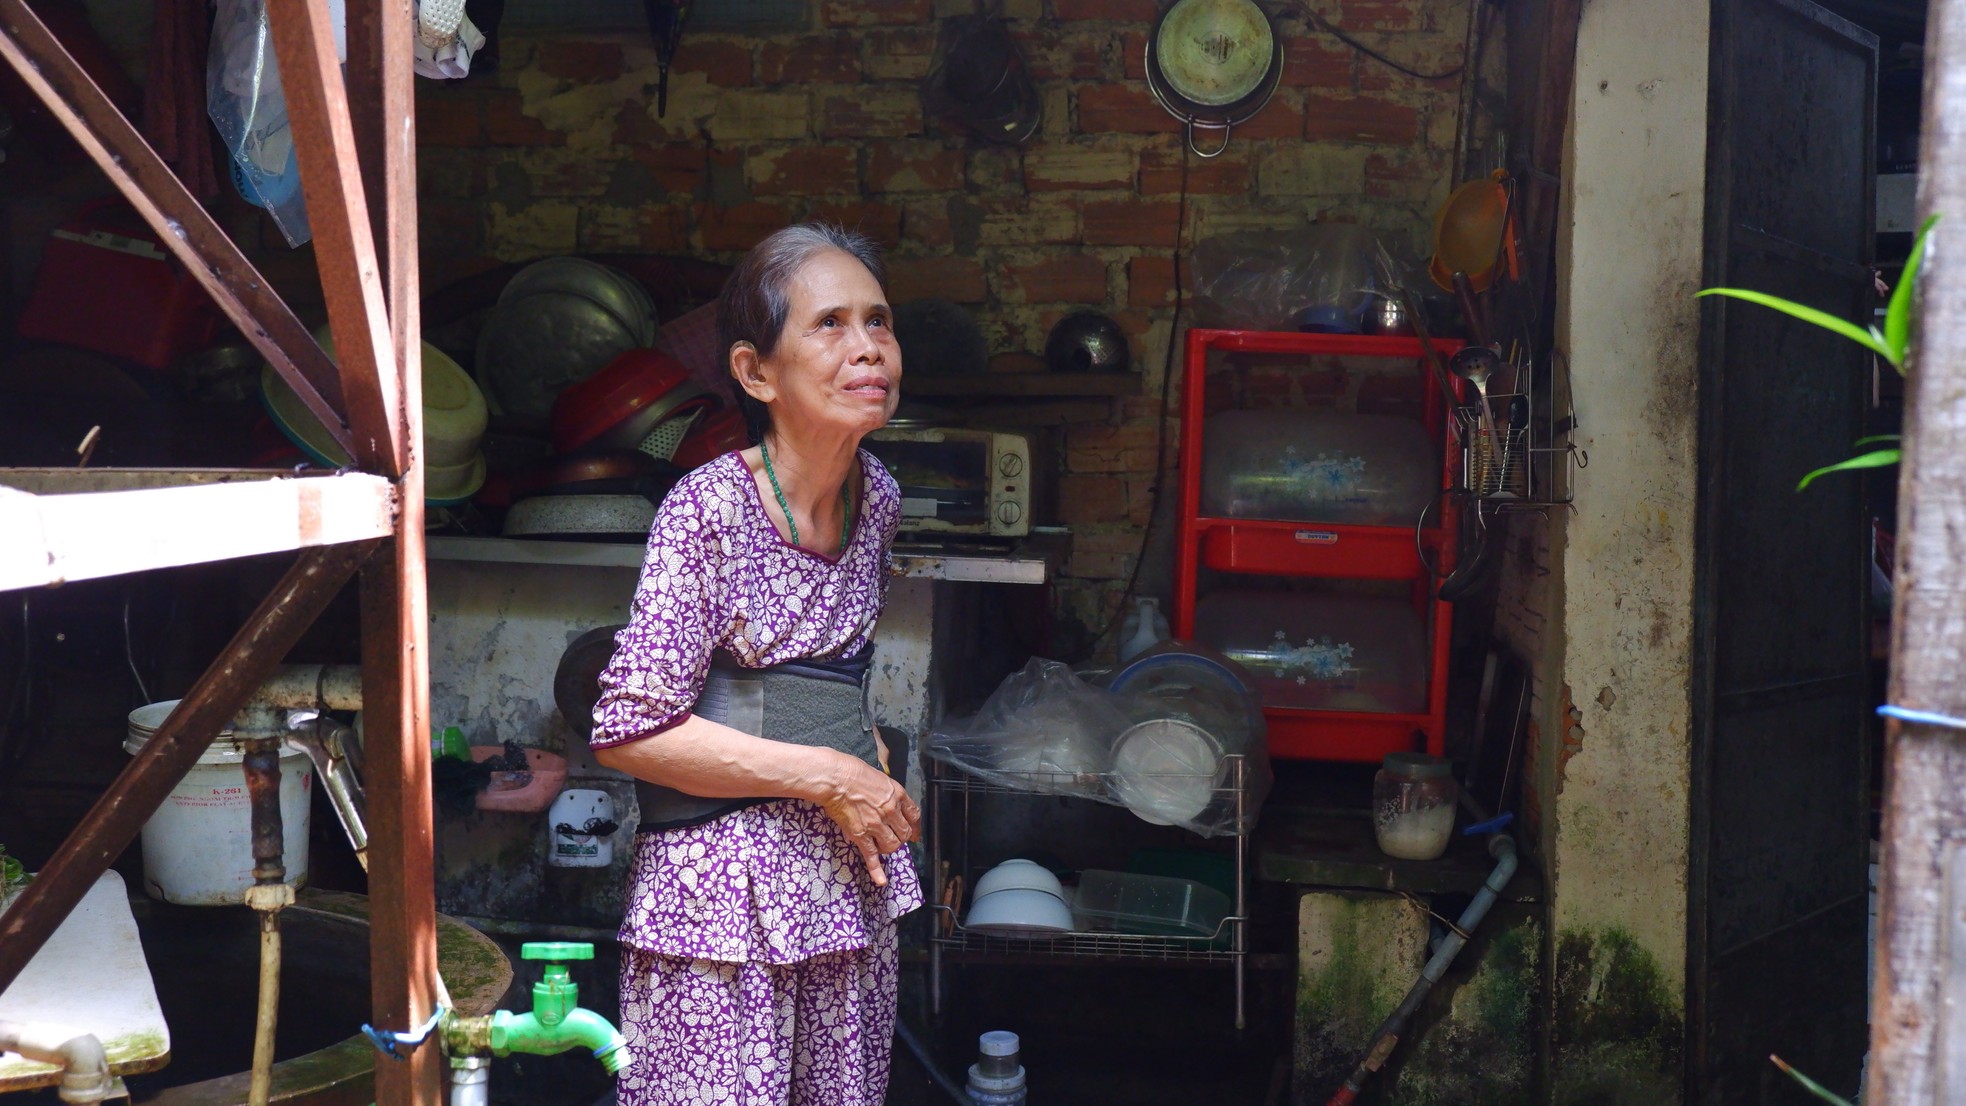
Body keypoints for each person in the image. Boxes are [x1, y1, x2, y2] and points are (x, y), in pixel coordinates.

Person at [589, 222, 923, 1106]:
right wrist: (830, 776)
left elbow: (831, 678)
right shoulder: (708, 512)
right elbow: (628, 729)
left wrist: (869, 769)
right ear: (755, 372)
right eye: (831, 325)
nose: (868, 349)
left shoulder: (876, 496)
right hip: (720, 910)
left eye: (879, 322)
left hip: (841, 899)